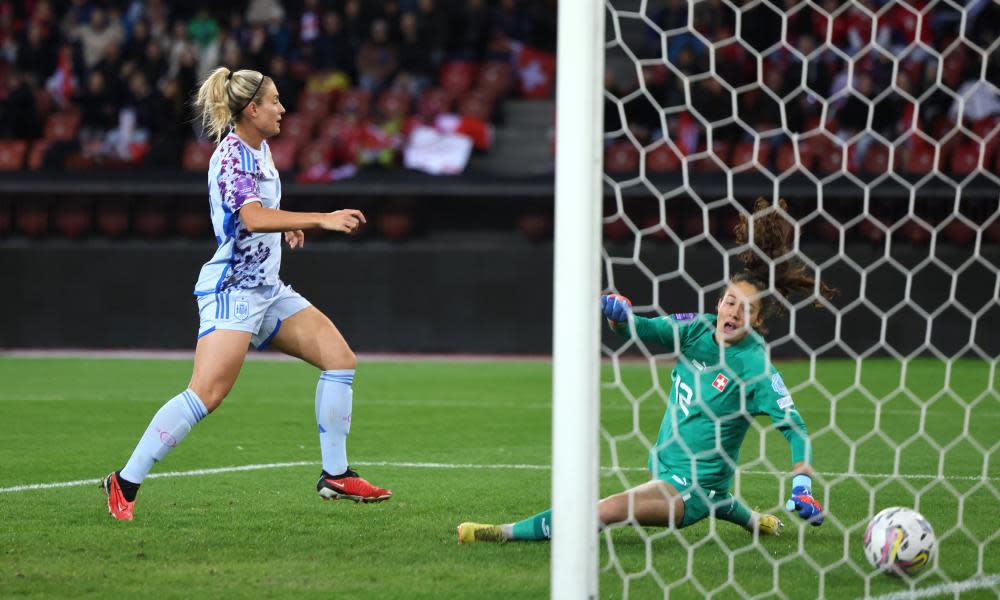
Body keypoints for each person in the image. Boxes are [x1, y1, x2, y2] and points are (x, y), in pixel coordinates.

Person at [101, 66, 392, 522]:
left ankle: (335, 475)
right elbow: (252, 219)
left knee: (340, 359)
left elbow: (261, 215)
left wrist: (289, 225)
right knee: (206, 395)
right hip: (233, 289)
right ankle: (125, 481)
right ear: (251, 109)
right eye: (274, 101)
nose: (283, 108)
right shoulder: (232, 155)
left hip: (268, 290)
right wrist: (318, 218)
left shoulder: (262, 150)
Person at [458, 198, 834, 544]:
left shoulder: (756, 368)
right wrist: (621, 317)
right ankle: (754, 519)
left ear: (759, 321)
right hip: (669, 464)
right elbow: (643, 328)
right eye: (730, 302)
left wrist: (801, 482)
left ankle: (503, 533)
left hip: (691, 489)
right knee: (720, 496)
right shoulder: (696, 331)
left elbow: (794, 427)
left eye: (746, 310)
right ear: (719, 302)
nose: (734, 313)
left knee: (604, 509)